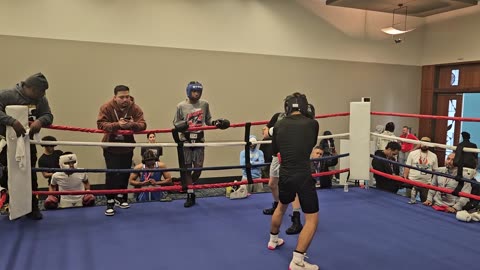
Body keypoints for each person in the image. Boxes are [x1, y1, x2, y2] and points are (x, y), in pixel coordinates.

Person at [268, 92, 319, 270]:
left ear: (287, 107)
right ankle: (297, 261)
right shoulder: (313, 124)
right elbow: (310, 144)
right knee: (312, 219)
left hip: (286, 174)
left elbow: (275, 151)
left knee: (281, 206)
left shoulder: (279, 124)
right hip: (303, 175)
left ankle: (273, 240)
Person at [0, 72, 53, 220]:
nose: (43, 94)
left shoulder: (41, 98)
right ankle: (11, 206)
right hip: (5, 142)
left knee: (30, 175)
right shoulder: (6, 95)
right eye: (40, 91)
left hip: (27, 142)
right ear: (29, 88)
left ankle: (32, 207)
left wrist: (40, 121)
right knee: (5, 175)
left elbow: (49, 115)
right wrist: (11, 121)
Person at [173, 81, 230, 208]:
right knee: (187, 168)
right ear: (188, 91)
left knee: (198, 169)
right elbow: (176, 123)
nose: (196, 94)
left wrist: (216, 123)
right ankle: (190, 193)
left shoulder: (204, 104)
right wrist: (182, 126)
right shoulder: (181, 106)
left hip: (199, 139)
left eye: (198, 91)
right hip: (186, 140)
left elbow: (208, 120)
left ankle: (187, 185)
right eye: (194, 91)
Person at [97, 85, 147, 216]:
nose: (125, 99)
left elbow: (143, 124)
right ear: (115, 97)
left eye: (127, 96)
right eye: (122, 97)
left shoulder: (134, 108)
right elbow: (100, 124)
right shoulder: (106, 107)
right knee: (112, 173)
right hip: (111, 147)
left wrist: (132, 125)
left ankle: (122, 197)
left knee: (125, 172)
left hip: (127, 146)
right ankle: (110, 201)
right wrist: (117, 125)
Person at [263, 110, 304, 235]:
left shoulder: (297, 122)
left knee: (292, 186)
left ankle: (296, 218)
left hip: (289, 156)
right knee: (272, 184)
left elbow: (268, 133)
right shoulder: (278, 116)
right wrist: (269, 131)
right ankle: (277, 206)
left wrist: (270, 132)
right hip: (276, 155)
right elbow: (265, 132)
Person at [403, 137, 438, 203]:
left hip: (426, 184)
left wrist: (433, 184)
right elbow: (407, 166)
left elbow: (435, 171)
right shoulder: (412, 153)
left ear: (429, 145)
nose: (424, 145)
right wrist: (405, 178)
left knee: (425, 202)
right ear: (420, 143)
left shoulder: (434, 156)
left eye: (426, 143)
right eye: (423, 143)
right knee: (408, 200)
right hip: (412, 181)